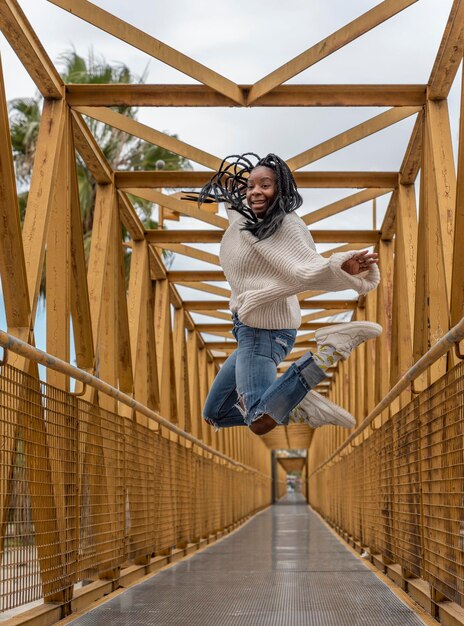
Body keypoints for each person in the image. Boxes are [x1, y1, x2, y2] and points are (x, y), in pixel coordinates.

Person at [195, 153, 381, 437]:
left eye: (265, 185)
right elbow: (239, 217)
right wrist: (231, 196)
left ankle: (327, 353)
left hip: (263, 332)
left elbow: (306, 269)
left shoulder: (283, 226)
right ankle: (293, 403)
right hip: (247, 331)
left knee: (258, 420)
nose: (256, 191)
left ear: (280, 189)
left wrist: (342, 267)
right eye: (251, 185)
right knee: (216, 414)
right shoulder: (248, 219)